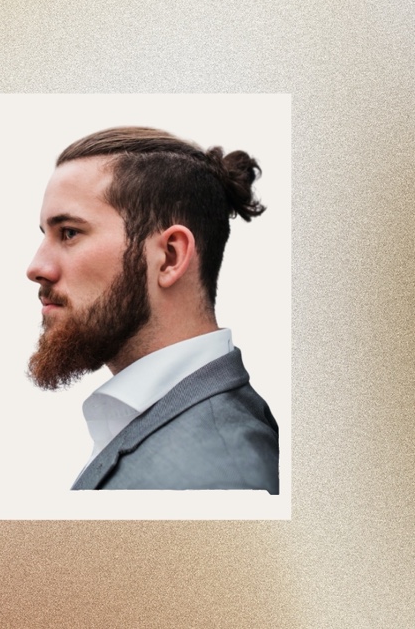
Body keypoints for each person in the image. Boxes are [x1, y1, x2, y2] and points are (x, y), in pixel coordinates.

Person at [25, 126, 279, 493]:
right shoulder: (153, 421)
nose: (36, 267)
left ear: (170, 257)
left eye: (68, 233)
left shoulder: (217, 478)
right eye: (44, 235)